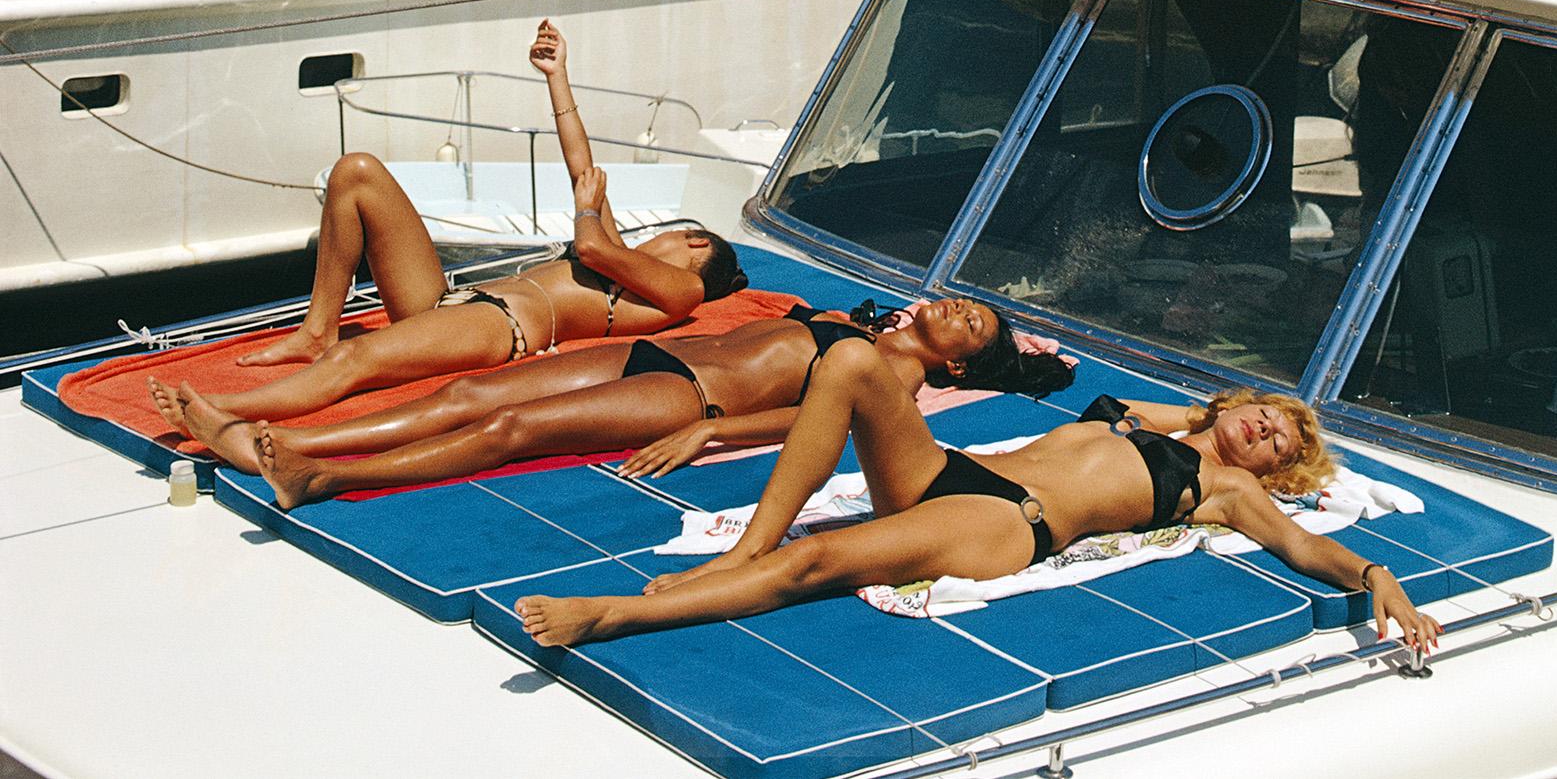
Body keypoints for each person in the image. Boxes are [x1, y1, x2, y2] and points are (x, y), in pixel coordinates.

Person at [514, 339, 1440, 659]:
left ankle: (613, 617)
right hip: (948, 475)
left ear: (1274, 469)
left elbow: (1301, 549)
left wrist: (1373, 573)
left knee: (824, 561)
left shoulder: (1226, 491)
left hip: (1007, 524)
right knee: (848, 363)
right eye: (1265, 416)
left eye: (1279, 442)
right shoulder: (1154, 422)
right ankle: (746, 544)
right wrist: (1207, 409)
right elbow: (1120, 403)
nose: (1262, 434)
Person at [147, 23, 745, 427]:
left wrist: (588, 211)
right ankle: (317, 328)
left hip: (498, 327)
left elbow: (589, 244)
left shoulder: (684, 290)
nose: (660, 232)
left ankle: (224, 411)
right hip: (448, 302)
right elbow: (580, 162)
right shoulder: (624, 254)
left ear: (695, 243)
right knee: (356, 172)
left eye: (676, 231)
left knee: (356, 366)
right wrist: (556, 74)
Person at [162, 292, 1068, 511]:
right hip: (651, 353)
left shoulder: (900, 379)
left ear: (954, 367)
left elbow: (808, 422)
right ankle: (268, 432)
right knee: (470, 390)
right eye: (963, 302)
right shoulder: (860, 323)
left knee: (508, 429)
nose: (955, 309)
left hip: (685, 393)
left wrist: (710, 431)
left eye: (971, 325)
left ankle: (323, 477)